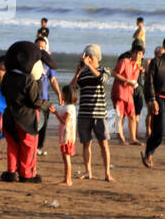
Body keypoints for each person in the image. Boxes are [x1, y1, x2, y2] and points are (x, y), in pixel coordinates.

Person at [0, 41, 45, 183]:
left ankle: (11, 171)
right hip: (26, 117)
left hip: (9, 114)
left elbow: (3, 91)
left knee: (12, 145)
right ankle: (26, 174)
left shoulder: (7, 76)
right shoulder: (28, 80)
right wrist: (47, 104)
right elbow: (35, 101)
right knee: (28, 146)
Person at [72, 44, 114, 183]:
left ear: (95, 57)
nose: (87, 58)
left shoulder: (104, 70)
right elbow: (72, 89)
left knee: (104, 143)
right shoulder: (82, 73)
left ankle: (107, 173)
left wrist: (89, 67)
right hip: (84, 113)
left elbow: (102, 80)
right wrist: (78, 72)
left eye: (90, 56)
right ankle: (87, 171)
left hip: (99, 114)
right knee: (86, 144)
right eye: (86, 56)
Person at [111, 44, 145, 144]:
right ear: (132, 53)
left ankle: (133, 139)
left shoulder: (138, 67)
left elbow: (133, 81)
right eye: (137, 53)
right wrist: (127, 81)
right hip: (119, 92)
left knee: (132, 115)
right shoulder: (125, 61)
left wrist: (133, 84)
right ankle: (121, 138)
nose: (138, 56)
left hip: (129, 93)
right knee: (120, 115)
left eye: (140, 54)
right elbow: (114, 73)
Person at [142, 39, 165, 167]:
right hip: (159, 98)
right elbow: (149, 82)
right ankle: (149, 152)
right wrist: (152, 100)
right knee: (160, 131)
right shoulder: (156, 62)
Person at [53, 85, 77, 186]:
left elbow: (65, 122)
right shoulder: (71, 107)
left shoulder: (68, 108)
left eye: (62, 93)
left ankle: (68, 180)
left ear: (66, 95)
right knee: (65, 157)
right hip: (67, 136)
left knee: (66, 158)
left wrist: (55, 113)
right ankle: (66, 179)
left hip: (67, 137)